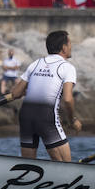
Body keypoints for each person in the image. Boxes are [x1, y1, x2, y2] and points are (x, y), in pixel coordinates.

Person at [8, 29, 80, 162]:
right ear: (64, 47)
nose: (71, 47)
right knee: (66, 167)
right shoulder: (67, 67)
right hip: (46, 117)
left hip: (26, 116)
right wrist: (72, 120)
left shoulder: (36, 63)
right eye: (70, 44)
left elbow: (15, 93)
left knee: (28, 165)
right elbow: (68, 99)